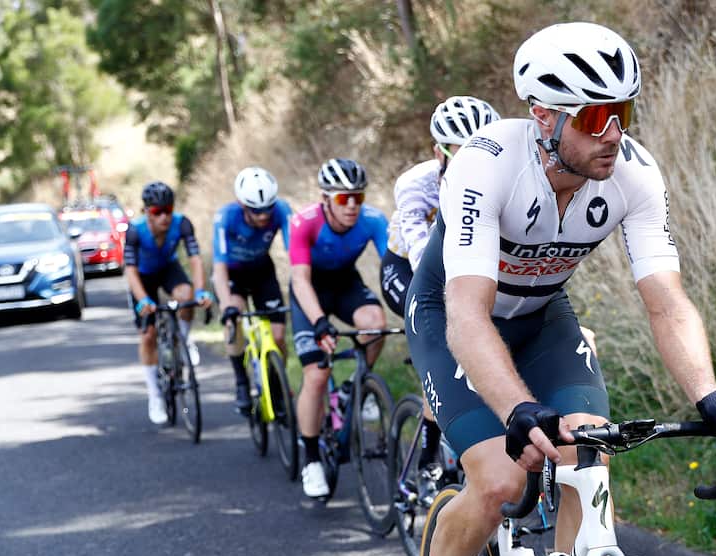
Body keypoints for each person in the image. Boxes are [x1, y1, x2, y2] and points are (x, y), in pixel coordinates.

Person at [405, 22, 716, 556]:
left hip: (542, 318)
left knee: (588, 463)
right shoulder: (485, 165)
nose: (614, 134)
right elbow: (467, 316)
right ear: (543, 116)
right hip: (452, 316)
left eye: (624, 113)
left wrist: (710, 394)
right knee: (499, 483)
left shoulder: (632, 173)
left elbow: (666, 302)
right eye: (596, 116)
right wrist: (516, 408)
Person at [382, 96, 501, 495]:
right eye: (463, 154)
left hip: (466, 272)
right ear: (439, 152)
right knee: (447, 353)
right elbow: (420, 254)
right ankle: (430, 458)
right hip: (408, 268)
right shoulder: (414, 185)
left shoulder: (500, 176)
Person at [288, 157, 391, 498]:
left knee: (376, 325)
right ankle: (312, 459)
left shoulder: (373, 220)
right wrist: (319, 322)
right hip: (310, 289)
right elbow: (299, 280)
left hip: (345, 284)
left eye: (358, 198)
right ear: (325, 199)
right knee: (316, 374)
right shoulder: (304, 222)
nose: (352, 206)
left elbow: (393, 267)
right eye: (343, 199)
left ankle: (353, 386)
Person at [125, 181, 211, 425]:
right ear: (146, 212)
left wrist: (201, 291)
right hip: (143, 277)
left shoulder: (182, 224)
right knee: (148, 335)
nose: (164, 216)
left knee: (186, 297)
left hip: (168, 269)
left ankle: (183, 340)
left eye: (168, 210)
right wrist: (143, 300)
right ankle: (155, 395)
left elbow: (194, 260)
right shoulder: (134, 231)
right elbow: (130, 271)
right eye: (156, 212)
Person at [213, 166, 294, 415]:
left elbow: (296, 255)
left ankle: (277, 383)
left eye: (268, 208)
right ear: (242, 204)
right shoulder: (226, 217)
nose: (263, 216)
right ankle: (241, 381)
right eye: (256, 210)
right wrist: (226, 305)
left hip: (262, 272)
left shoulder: (282, 210)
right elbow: (219, 268)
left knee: (279, 335)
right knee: (234, 319)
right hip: (233, 275)